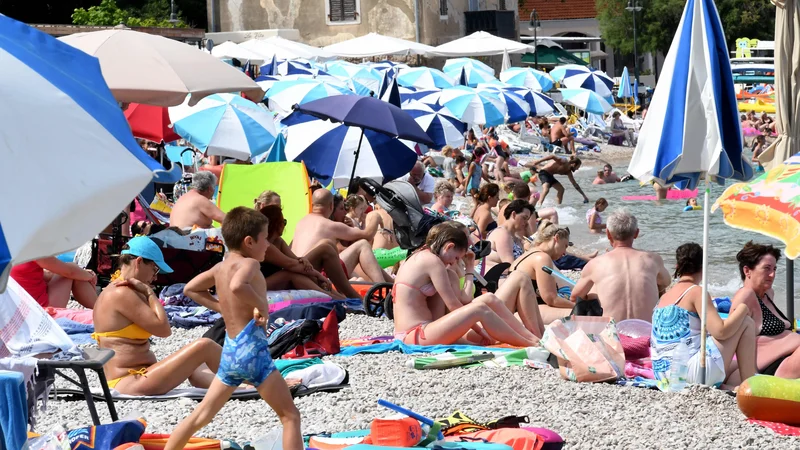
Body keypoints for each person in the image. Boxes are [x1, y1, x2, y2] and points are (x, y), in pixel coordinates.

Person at [165, 208, 302, 450]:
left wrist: (221, 308)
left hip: (230, 352)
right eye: (265, 239)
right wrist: (262, 305)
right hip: (253, 353)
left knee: (201, 416)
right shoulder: (249, 264)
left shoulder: (220, 267)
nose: (268, 246)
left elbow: (191, 289)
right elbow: (239, 286)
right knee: (290, 416)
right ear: (249, 242)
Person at [92, 236, 222, 395]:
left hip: (138, 376)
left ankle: (240, 387)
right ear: (139, 262)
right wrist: (150, 293)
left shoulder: (118, 289)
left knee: (198, 366)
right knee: (204, 346)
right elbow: (164, 329)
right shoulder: (121, 293)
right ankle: (253, 380)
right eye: (155, 269)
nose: (155, 277)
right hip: (129, 380)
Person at [392, 223, 542, 346]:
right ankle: (529, 344)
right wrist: (481, 331)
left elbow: (456, 303)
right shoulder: (433, 262)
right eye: (456, 257)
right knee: (479, 308)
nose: (454, 262)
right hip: (415, 335)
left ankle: (532, 338)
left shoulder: (423, 257)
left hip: (424, 329)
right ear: (449, 247)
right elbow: (454, 306)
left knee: (488, 298)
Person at [651, 243, 756, 388]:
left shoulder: (664, 297)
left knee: (737, 367)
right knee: (746, 322)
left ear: (677, 266)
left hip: (664, 376)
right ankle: (751, 388)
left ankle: (732, 387)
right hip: (687, 373)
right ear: (703, 266)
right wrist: (743, 308)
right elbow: (721, 331)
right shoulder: (696, 292)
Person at [570, 209, 671, 322]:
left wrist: (596, 293)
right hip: (647, 332)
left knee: (593, 287)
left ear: (608, 234)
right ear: (636, 233)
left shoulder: (596, 263)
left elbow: (575, 297)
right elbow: (666, 283)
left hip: (612, 334)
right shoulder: (652, 259)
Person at [731, 242, 800, 379]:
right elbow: (731, 342)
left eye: (774, 269)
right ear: (747, 271)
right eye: (766, 268)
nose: (772, 274)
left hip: (786, 358)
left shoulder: (768, 293)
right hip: (767, 367)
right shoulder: (745, 295)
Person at [292, 189, 391, 283]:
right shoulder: (330, 225)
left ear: (312, 204)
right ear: (331, 206)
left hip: (299, 274)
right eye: (341, 208)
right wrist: (376, 217)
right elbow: (368, 235)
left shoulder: (300, 223)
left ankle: (388, 283)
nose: (345, 212)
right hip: (315, 276)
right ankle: (382, 287)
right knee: (363, 245)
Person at [259, 206, 339, 299]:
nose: (284, 225)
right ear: (277, 224)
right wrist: (318, 275)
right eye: (284, 222)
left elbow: (295, 260)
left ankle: (339, 296)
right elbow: (291, 265)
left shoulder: (279, 241)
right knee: (289, 273)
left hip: (274, 280)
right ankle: (331, 297)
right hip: (261, 283)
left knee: (304, 271)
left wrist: (303, 260)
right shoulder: (266, 246)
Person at [511, 221, 577, 324]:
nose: (564, 253)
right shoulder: (542, 258)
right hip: (524, 311)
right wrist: (577, 305)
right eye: (565, 246)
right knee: (583, 314)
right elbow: (551, 298)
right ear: (557, 238)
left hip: (519, 308)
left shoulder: (530, 253)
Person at [10, 257, 97, 309]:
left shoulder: (9, 251)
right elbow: (69, 272)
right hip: (42, 309)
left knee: (77, 273)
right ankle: (100, 308)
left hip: (20, 309)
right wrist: (90, 276)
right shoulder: (33, 251)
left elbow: (44, 275)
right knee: (73, 269)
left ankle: (99, 307)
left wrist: (82, 273)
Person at [484, 200, 534, 271]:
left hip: (509, 277)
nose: (526, 223)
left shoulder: (516, 238)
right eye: (524, 218)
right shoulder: (502, 234)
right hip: (496, 278)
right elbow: (510, 266)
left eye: (527, 219)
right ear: (513, 214)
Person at [524, 155, 589, 206]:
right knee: (546, 189)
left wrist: (584, 196)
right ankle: (538, 204)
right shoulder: (564, 162)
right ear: (574, 164)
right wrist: (538, 162)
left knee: (561, 190)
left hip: (550, 176)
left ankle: (558, 206)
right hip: (543, 172)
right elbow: (552, 156)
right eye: (578, 167)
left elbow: (575, 185)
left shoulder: (568, 172)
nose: (577, 169)